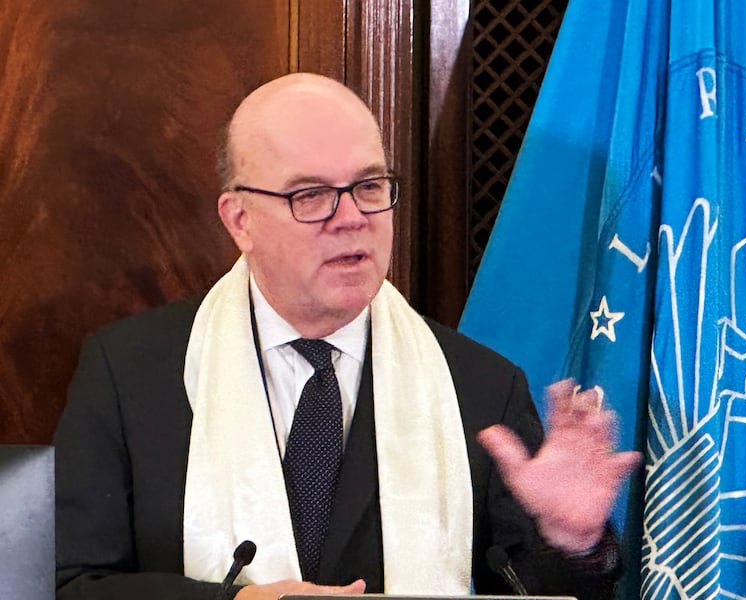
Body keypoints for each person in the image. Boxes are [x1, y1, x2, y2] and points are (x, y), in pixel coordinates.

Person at [55, 73, 640, 600]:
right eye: (309, 195)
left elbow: (543, 592)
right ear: (239, 220)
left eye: (368, 186)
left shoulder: (480, 389)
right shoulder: (128, 373)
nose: (352, 217)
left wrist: (574, 542)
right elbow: (73, 585)